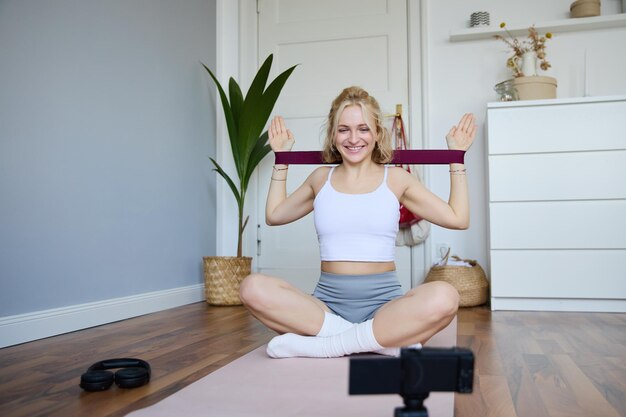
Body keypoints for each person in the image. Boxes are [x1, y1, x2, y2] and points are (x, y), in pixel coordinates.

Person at [239, 86, 476, 359]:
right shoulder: (320, 178)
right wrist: (281, 159)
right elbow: (275, 215)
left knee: (446, 296)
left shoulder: (397, 178)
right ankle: (378, 340)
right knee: (251, 287)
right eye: (343, 129)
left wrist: (456, 157)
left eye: (363, 129)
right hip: (326, 308)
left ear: (377, 133)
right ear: (333, 134)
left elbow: (458, 219)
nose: (353, 139)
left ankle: (329, 345)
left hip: (385, 307)